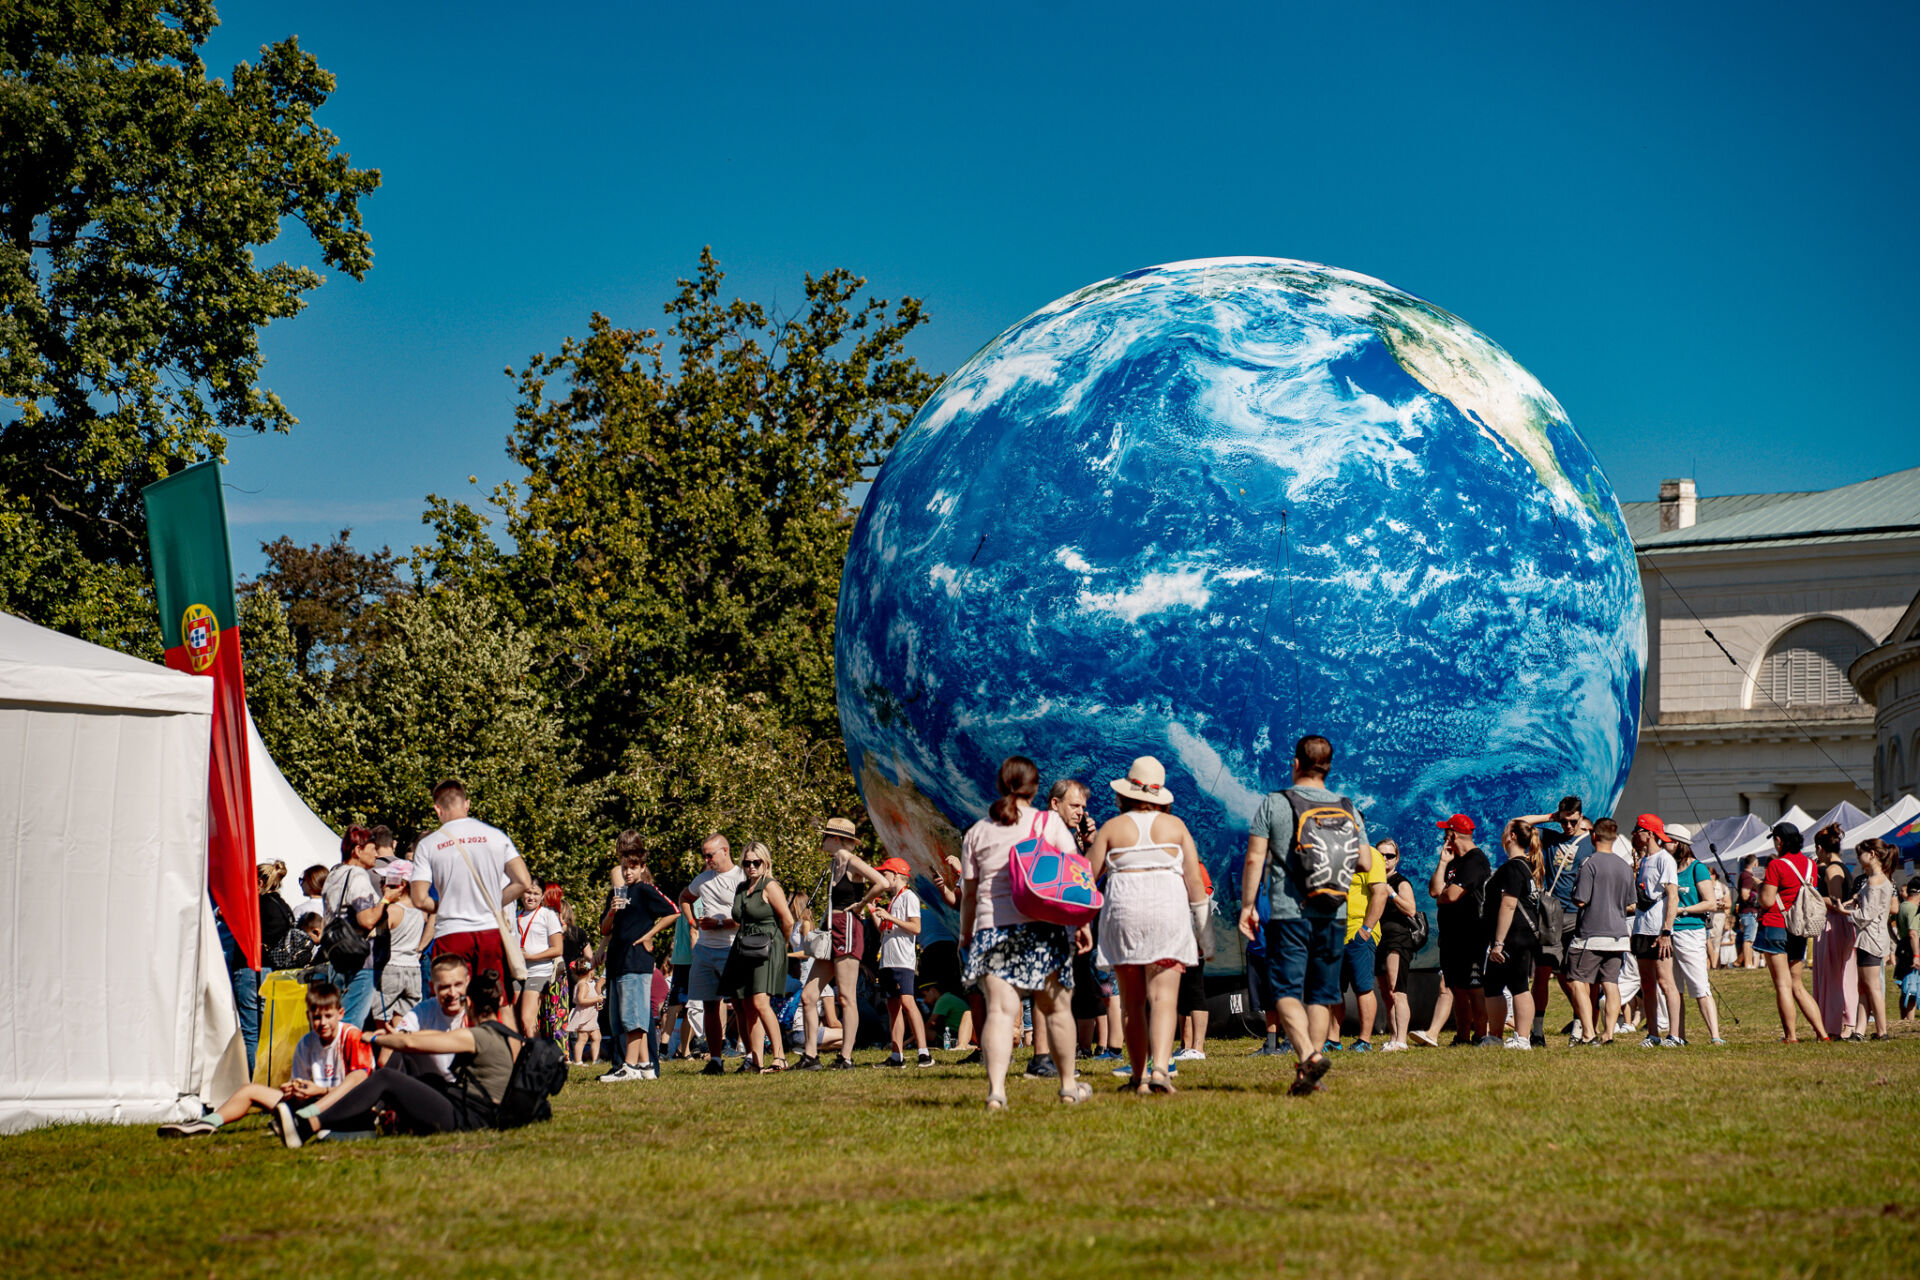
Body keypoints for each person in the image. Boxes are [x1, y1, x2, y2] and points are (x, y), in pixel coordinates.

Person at [1237, 735, 1373, 1097]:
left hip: (1288, 913)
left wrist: (1248, 906)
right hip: (1335, 913)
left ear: (1295, 763)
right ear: (1328, 768)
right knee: (1321, 993)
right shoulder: (1348, 807)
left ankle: (1310, 1057)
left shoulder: (1275, 803)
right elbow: (1365, 861)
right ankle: (1308, 1076)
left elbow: (1254, 858)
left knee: (1282, 989)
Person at [960, 755, 1093, 1109]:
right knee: (1057, 1009)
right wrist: (1081, 923)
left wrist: (966, 933)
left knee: (1001, 1012)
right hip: (1043, 929)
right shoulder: (1048, 824)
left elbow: (970, 894)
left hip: (993, 928)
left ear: (1002, 784)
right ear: (1035, 789)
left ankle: (997, 1093)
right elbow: (1074, 875)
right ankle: (1067, 1087)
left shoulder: (977, 833)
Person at [1088, 756, 1208, 1094]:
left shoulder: (1112, 827)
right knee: (1165, 999)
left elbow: (1085, 879)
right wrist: (1205, 935)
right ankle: (1160, 1073)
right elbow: (1195, 885)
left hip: (1125, 917)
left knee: (1132, 1003)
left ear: (1125, 793)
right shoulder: (1177, 828)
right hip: (1167, 915)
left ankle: (1138, 1077)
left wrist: (1078, 924)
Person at [295, 968, 523, 1144]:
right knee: (430, 1081)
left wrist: (373, 1038)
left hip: (469, 1119)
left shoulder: (477, 1035)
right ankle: (379, 1124)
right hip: (484, 1113)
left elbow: (411, 1041)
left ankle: (310, 1125)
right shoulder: (510, 1036)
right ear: (501, 1002)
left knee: (385, 1077)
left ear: (469, 1003)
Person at [156, 980, 372, 1139]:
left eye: (328, 1016)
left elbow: (362, 1086)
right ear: (308, 1017)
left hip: (344, 1104)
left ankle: (306, 1124)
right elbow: (302, 1086)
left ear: (340, 1014)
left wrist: (319, 1091)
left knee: (354, 1083)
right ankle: (207, 1124)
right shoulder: (306, 1043)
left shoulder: (351, 1036)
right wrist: (294, 1090)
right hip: (311, 1103)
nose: (322, 1023)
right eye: (316, 1017)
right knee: (250, 1089)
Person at [409, 778, 535, 1019]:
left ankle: (459, 1054)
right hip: (489, 931)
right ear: (466, 804)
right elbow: (523, 881)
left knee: (452, 1005)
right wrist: (492, 903)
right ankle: (509, 1055)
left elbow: (418, 899)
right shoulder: (495, 835)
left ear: (437, 809)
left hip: (451, 933)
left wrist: (444, 904)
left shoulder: (428, 844)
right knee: (500, 1003)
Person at [797, 818, 888, 1071]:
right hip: (831, 928)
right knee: (808, 995)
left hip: (847, 927)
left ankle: (846, 1057)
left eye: (825, 836)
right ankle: (810, 1056)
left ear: (836, 838)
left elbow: (883, 882)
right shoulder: (833, 864)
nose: (822, 841)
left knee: (847, 997)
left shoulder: (850, 860)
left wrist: (861, 905)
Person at [601, 832, 678, 1082]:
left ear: (642, 867)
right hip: (619, 960)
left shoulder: (645, 890)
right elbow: (604, 929)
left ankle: (630, 1066)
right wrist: (611, 913)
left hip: (637, 961)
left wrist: (650, 934)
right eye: (624, 868)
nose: (627, 872)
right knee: (625, 1016)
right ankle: (644, 1064)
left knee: (633, 1017)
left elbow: (673, 912)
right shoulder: (619, 893)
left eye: (633, 867)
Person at [723, 840, 797, 1073]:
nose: (752, 867)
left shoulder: (770, 885)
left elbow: (788, 920)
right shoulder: (741, 888)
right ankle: (756, 1060)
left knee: (760, 1002)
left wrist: (781, 946)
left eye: (757, 862)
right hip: (743, 947)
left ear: (766, 862)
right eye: (747, 863)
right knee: (745, 1005)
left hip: (767, 948)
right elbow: (737, 918)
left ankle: (780, 1056)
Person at [1521, 795, 1590, 1043]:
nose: (1568, 827)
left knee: (1574, 975)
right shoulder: (1552, 837)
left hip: (1578, 914)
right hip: (1551, 914)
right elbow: (1518, 823)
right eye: (1564, 822)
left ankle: (1579, 1028)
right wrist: (1550, 817)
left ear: (1581, 817)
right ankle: (1537, 1031)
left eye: (1572, 821)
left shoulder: (1590, 842)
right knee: (1542, 972)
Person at [679, 833, 746, 1076]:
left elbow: (748, 916)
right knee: (709, 1005)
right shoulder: (702, 879)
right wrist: (692, 921)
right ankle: (716, 1060)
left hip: (732, 948)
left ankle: (750, 1057)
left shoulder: (742, 876)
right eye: (704, 855)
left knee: (740, 1004)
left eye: (711, 854)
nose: (707, 859)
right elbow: (684, 898)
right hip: (706, 950)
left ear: (725, 851)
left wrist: (720, 925)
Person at [1756, 822, 1829, 1043]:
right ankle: (1822, 1033)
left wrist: (1760, 888)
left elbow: (1767, 900)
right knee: (1797, 984)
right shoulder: (1810, 865)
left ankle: (1791, 1036)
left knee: (1782, 984)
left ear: (1779, 841)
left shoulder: (1776, 865)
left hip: (1776, 924)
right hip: (1798, 927)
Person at [1565, 818, 1634, 1046]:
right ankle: (1609, 1034)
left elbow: (1581, 900)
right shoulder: (1625, 866)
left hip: (1591, 934)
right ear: (1615, 837)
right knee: (1611, 983)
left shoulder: (1589, 863)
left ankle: (1588, 1033)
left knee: (1575, 979)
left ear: (1594, 835)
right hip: (1619, 935)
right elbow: (1631, 903)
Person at [1325, 823, 1388, 1052]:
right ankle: (1333, 1040)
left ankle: (1365, 1040)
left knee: (1362, 987)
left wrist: (1366, 931)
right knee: (1333, 989)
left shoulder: (1370, 854)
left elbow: (1380, 893)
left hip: (1358, 932)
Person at [1429, 814, 1491, 1045]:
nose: (1443, 836)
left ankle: (1481, 1035)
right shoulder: (1454, 861)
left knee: (1474, 987)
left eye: (1446, 832)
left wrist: (1444, 895)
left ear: (1453, 835)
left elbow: (1451, 896)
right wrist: (1443, 862)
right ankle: (1462, 1035)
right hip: (1450, 936)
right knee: (1457, 988)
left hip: (1471, 936)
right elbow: (1435, 892)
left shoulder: (1476, 861)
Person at [1483, 819, 1545, 1050]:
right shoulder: (1525, 865)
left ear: (1511, 837)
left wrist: (1498, 943)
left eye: (1505, 832)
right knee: (1493, 985)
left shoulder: (1513, 867)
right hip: (1518, 935)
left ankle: (1522, 1038)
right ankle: (1495, 1036)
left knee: (1519, 985)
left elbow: (1508, 905)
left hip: (1513, 936)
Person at [323, 824, 391, 1030]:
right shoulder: (357, 874)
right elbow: (366, 920)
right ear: (357, 850)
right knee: (351, 1023)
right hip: (361, 958)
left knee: (335, 1018)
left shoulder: (334, 874)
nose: (376, 855)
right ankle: (344, 1061)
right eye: (372, 849)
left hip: (336, 955)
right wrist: (387, 899)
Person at [871, 856, 933, 1067]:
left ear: (896, 875)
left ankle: (924, 1053)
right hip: (888, 959)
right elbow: (885, 929)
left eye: (885, 873)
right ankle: (896, 1055)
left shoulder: (909, 897)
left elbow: (915, 927)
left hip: (902, 960)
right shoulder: (895, 900)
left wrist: (890, 918)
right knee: (892, 1007)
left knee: (908, 1002)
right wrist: (874, 912)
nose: (883, 877)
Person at [1628, 814, 1683, 1049]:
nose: (1635, 835)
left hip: (1658, 930)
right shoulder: (1643, 861)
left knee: (1665, 982)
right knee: (1647, 983)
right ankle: (1652, 1034)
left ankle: (1675, 1035)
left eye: (1638, 831)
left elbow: (1673, 895)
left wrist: (1666, 930)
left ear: (1648, 833)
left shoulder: (1665, 859)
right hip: (1641, 928)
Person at [1666, 827, 1724, 1045]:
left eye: (1667, 841)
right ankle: (1678, 1035)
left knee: (1699, 985)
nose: (1663, 845)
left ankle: (1715, 1035)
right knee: (1674, 987)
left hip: (1690, 931)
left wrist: (1682, 910)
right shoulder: (1668, 867)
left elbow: (1710, 902)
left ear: (1678, 843)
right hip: (1669, 932)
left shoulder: (1697, 868)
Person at [386, 954, 472, 1084]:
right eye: (444, 987)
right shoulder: (424, 1010)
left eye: (458, 985)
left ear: (468, 981)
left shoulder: (478, 1012)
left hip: (466, 1089)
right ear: (432, 987)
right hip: (432, 1086)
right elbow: (388, 1052)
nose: (452, 993)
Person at [1810, 824, 1859, 1040]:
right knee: (1842, 974)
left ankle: (1839, 1024)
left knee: (1834, 976)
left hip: (1834, 924)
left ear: (1820, 848)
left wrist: (1811, 895)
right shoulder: (1843, 867)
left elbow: (1835, 900)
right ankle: (1843, 1021)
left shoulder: (1832, 869)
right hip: (1841, 924)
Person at [1845, 841, 1894, 1040]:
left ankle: (1882, 1031)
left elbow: (1866, 915)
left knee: (1872, 987)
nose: (1858, 858)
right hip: (1870, 938)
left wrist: (1844, 911)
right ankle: (1859, 1031)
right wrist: (1856, 899)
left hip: (1871, 938)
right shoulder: (1875, 879)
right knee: (1864, 987)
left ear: (1872, 854)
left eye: (1860, 854)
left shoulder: (1875, 881)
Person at [375, 859, 432, 1027]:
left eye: (387, 881)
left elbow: (374, 933)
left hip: (391, 968)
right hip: (413, 969)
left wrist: (384, 900)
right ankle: (395, 1052)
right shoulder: (419, 910)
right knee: (402, 1022)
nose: (383, 884)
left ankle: (381, 1052)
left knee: (382, 1021)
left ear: (401, 885)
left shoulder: (393, 910)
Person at [1373, 840, 1416, 1052]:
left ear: (1397, 859)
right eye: (1381, 855)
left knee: (1397, 990)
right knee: (1385, 992)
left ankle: (1401, 1040)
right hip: (1378, 939)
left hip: (1397, 940)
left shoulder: (1401, 882)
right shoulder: (1374, 881)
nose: (1385, 859)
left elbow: (1411, 910)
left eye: (1389, 856)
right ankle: (1393, 1037)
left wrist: (1391, 893)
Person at [511, 884, 565, 1036]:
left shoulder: (547, 915)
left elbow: (558, 949)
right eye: (528, 892)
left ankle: (538, 1058)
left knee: (527, 1020)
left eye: (536, 893)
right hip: (516, 971)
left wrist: (531, 957)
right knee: (514, 1022)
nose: (531, 897)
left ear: (542, 896)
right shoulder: (515, 915)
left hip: (539, 972)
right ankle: (519, 1058)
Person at [258, 861, 296, 972]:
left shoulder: (261, 903)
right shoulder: (283, 905)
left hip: (260, 964)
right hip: (278, 966)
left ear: (259, 883)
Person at [1895, 877, 1920, 1021]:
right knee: (1912, 987)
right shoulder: (1912, 908)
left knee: (1905, 987)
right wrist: (1916, 955)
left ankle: (1903, 1018)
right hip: (1912, 949)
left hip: (1904, 946)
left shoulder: (1902, 905)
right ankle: (1909, 1021)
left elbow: (1889, 923)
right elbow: (1913, 933)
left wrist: (1897, 939)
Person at [1736, 854, 1764, 969]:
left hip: (1749, 911)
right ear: (1755, 863)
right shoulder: (1747, 876)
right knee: (1749, 939)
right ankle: (1748, 963)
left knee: (1750, 938)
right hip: (1749, 911)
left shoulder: (1745, 875)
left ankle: (1750, 962)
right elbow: (1744, 895)